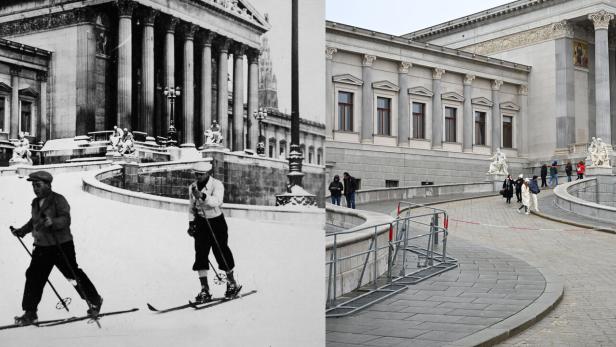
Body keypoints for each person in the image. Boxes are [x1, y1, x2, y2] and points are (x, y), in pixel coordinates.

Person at [10, 171, 102, 325]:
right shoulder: (35, 202)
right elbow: (33, 221)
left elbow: (66, 219)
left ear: (48, 185)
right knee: (34, 277)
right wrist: (21, 231)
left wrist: (53, 222)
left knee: (72, 274)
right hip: (42, 246)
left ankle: (94, 301)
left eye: (38, 185)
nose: (35, 188)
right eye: (33, 185)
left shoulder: (58, 200)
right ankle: (30, 312)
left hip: (61, 245)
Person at [188, 161, 240, 303]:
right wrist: (191, 223)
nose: (198, 177)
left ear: (208, 173)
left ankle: (231, 283)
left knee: (221, 251)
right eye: (196, 174)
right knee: (201, 254)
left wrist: (203, 196)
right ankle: (205, 289)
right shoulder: (192, 187)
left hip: (216, 221)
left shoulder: (217, 185)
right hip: (201, 222)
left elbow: (217, 201)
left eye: (201, 174)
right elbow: (191, 207)